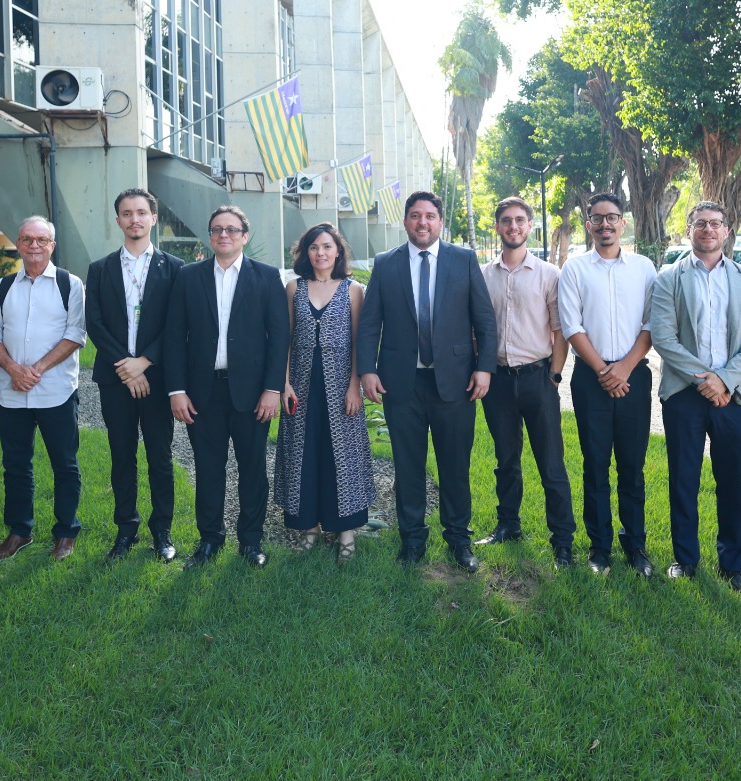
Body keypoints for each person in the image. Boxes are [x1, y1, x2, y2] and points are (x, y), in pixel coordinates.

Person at [358, 191, 497, 572]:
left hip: (456, 382)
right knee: (408, 467)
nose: (423, 222)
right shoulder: (386, 264)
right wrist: (367, 369)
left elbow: (484, 319)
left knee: (455, 466)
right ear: (405, 221)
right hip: (401, 384)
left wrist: (484, 367)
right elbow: (370, 323)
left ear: (440, 222)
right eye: (416, 215)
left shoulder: (463, 260)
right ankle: (412, 541)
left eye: (430, 216)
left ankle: (459, 540)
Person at [650, 201, 741, 592]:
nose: (708, 229)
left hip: (734, 397)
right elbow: (664, 338)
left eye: (716, 224)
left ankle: (732, 565)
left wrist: (724, 381)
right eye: (700, 223)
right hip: (684, 394)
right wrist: (706, 380)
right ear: (689, 230)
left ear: (726, 231)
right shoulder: (669, 277)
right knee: (683, 478)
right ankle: (685, 559)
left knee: (732, 481)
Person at [165, 206, 289, 568]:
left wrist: (272, 389)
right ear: (209, 236)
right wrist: (176, 390)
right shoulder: (188, 277)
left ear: (244, 236)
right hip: (202, 393)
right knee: (208, 468)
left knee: (253, 469)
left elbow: (279, 337)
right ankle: (210, 539)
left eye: (232, 230)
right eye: (217, 229)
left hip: (252, 393)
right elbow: (174, 337)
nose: (224, 235)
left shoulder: (267, 277)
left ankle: (251, 542)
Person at [557, 193, 657, 576]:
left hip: (634, 376)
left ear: (622, 222)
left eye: (612, 217)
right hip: (590, 377)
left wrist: (624, 369)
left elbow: (652, 323)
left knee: (632, 467)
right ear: (588, 225)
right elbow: (572, 326)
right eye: (597, 219)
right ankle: (599, 548)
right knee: (595, 465)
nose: (605, 225)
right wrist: (604, 371)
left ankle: (636, 546)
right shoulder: (575, 268)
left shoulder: (644, 268)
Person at [85, 188, 184, 563]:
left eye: (141, 212)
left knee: (160, 457)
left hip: (157, 378)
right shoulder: (100, 269)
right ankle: (125, 529)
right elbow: (95, 323)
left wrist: (144, 361)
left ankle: (162, 531)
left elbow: (177, 325)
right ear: (118, 221)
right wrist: (126, 367)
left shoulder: (174, 268)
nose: (134, 219)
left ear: (153, 218)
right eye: (127, 213)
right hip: (115, 378)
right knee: (121, 455)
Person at [479, 197, 576, 569]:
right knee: (506, 461)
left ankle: (562, 541)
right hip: (498, 382)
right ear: (498, 227)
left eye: (520, 220)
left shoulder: (549, 274)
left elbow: (561, 330)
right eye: (506, 220)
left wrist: (554, 375)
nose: (513, 226)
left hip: (538, 379)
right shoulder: (483, 275)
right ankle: (508, 525)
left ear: (530, 226)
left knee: (551, 464)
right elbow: (477, 328)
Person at [0, 216, 87, 561]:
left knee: (65, 464)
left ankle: (66, 532)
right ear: (18, 244)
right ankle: (19, 531)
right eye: (27, 239)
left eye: (42, 240)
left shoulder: (69, 284)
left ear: (52, 245)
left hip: (56, 391)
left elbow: (76, 334)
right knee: (15, 465)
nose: (34, 245)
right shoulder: (2, 287)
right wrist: (14, 369)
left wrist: (36, 369)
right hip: (12, 391)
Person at [276, 223, 376, 562]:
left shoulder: (353, 290)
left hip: (340, 387)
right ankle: (309, 528)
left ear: (338, 251)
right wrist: (284, 382)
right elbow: (286, 340)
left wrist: (355, 386)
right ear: (306, 252)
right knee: (303, 454)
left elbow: (359, 343)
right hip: (301, 386)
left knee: (343, 456)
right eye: (314, 247)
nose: (321, 253)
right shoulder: (294, 288)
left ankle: (346, 531)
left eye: (327, 246)